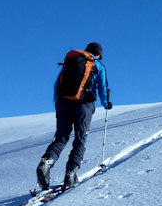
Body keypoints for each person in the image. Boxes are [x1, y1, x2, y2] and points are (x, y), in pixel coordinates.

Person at [36, 42, 112, 190]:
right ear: (97, 54)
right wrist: (106, 103)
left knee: (61, 137)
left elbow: (56, 84)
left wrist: (58, 102)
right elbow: (102, 88)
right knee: (80, 138)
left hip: (63, 104)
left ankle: (47, 161)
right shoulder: (98, 66)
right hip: (84, 106)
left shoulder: (70, 62)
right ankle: (71, 173)